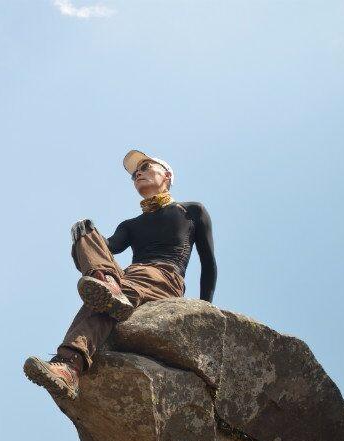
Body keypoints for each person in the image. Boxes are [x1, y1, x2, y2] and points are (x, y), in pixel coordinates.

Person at [23, 149, 217, 400]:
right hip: (126, 276)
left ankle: (69, 364)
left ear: (167, 175)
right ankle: (109, 285)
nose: (138, 173)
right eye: (135, 173)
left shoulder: (191, 211)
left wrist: (203, 310)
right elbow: (107, 247)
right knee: (86, 233)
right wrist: (85, 234)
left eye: (146, 167)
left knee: (101, 302)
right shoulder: (131, 225)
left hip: (163, 276)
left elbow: (208, 263)